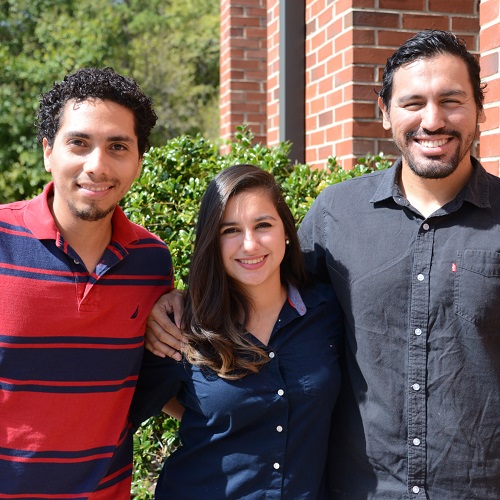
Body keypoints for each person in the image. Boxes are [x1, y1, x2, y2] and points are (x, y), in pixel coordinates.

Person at [145, 30, 500, 499]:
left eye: (451, 100)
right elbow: (263, 283)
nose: (432, 120)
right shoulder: (337, 214)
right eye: (413, 103)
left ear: (479, 105)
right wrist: (183, 302)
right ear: (385, 111)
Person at [0, 68, 174, 498]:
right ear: (48, 152)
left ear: (138, 162)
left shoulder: (152, 262)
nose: (97, 166)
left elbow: (154, 376)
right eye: (79, 143)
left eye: (118, 147)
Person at [131, 164, 343, 499]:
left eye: (263, 225)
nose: (249, 244)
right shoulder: (183, 325)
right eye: (230, 230)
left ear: (286, 231)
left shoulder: (328, 312)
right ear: (212, 242)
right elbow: (134, 404)